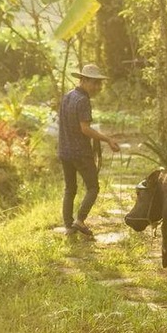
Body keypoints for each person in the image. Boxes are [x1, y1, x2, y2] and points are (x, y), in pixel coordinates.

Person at [58, 64, 120, 237]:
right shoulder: (83, 100)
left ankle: (69, 227)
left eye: (99, 83)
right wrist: (107, 139)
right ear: (83, 80)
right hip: (80, 152)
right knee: (93, 187)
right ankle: (80, 220)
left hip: (64, 151)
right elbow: (85, 129)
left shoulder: (67, 96)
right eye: (95, 83)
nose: (98, 87)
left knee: (70, 189)